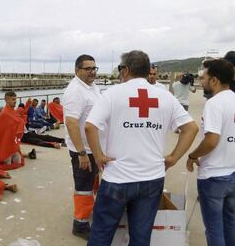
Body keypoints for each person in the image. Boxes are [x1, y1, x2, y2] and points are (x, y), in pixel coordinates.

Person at [85, 50, 199, 246]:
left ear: (126, 70)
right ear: (147, 71)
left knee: (101, 234)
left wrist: (98, 156)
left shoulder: (112, 94)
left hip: (117, 178)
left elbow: (89, 126)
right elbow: (191, 128)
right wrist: (173, 158)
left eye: (120, 69)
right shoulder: (165, 97)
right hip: (151, 179)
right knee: (141, 237)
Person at [186, 59, 235, 246]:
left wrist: (193, 155)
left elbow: (211, 140)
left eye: (203, 78)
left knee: (214, 228)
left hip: (215, 176)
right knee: (230, 223)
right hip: (233, 173)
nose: (201, 81)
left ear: (214, 80)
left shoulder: (215, 104)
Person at [62, 54, 101, 239]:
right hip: (84, 150)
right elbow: (71, 123)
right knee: (84, 187)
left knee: (93, 183)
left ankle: (92, 212)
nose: (92, 72)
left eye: (94, 68)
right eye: (88, 69)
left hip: (94, 148)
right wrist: (82, 153)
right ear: (77, 70)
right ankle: (80, 225)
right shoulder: (75, 91)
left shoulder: (92, 87)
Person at [0, 91, 25, 170]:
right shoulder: (4, 113)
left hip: (12, 141)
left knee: (18, 161)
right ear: (7, 100)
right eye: (13, 99)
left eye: (15, 99)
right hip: (4, 143)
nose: (15, 101)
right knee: (8, 163)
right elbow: (0, 132)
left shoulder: (13, 111)